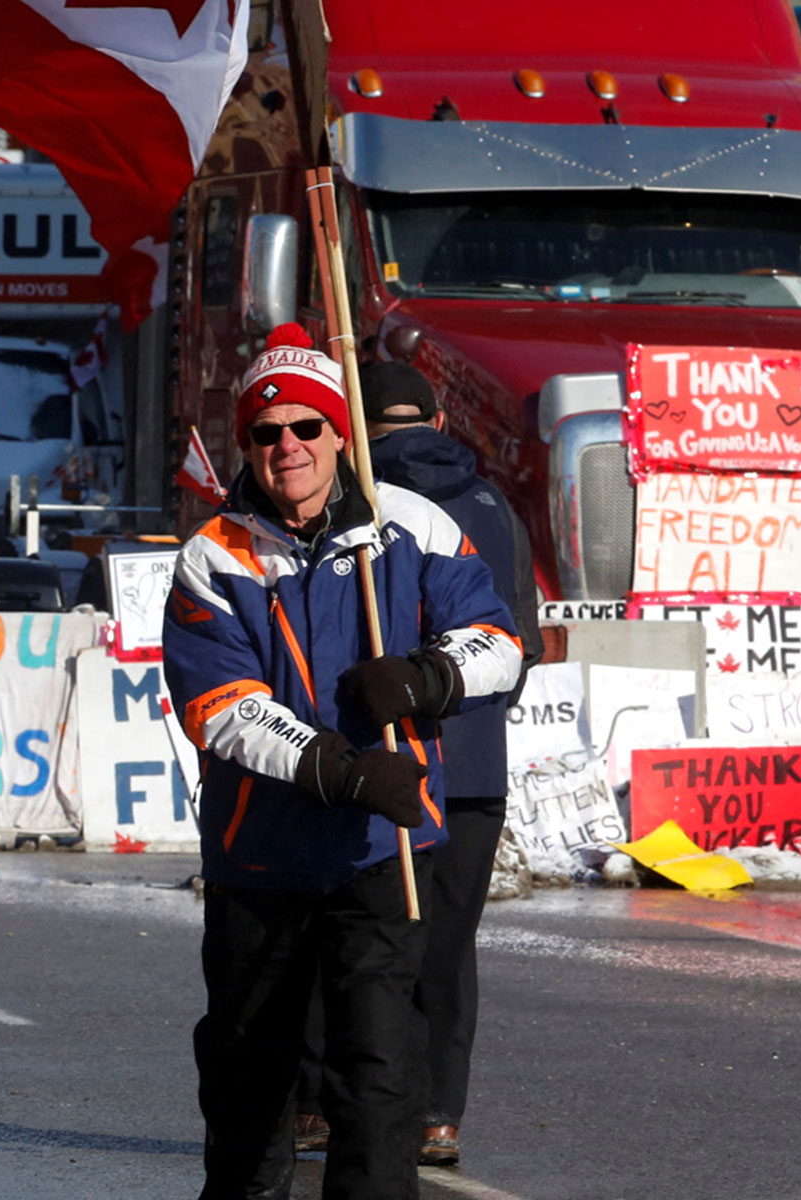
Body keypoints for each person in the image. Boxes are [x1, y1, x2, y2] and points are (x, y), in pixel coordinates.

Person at [160, 324, 521, 1200]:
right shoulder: (215, 554)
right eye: (267, 431)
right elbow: (223, 709)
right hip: (261, 855)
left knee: (379, 1070)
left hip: (379, 853)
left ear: (339, 436)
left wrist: (429, 676)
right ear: (247, 443)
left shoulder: (413, 528)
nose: (288, 446)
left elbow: (501, 645)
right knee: (249, 1073)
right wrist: (341, 769)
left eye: (306, 428)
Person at [363, 361, 543, 1167]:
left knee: (357, 934)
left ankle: (330, 1108)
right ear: (437, 423)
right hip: (471, 766)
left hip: (374, 758)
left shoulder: (349, 507)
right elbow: (521, 644)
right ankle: (437, 1114)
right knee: (445, 944)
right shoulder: (492, 505)